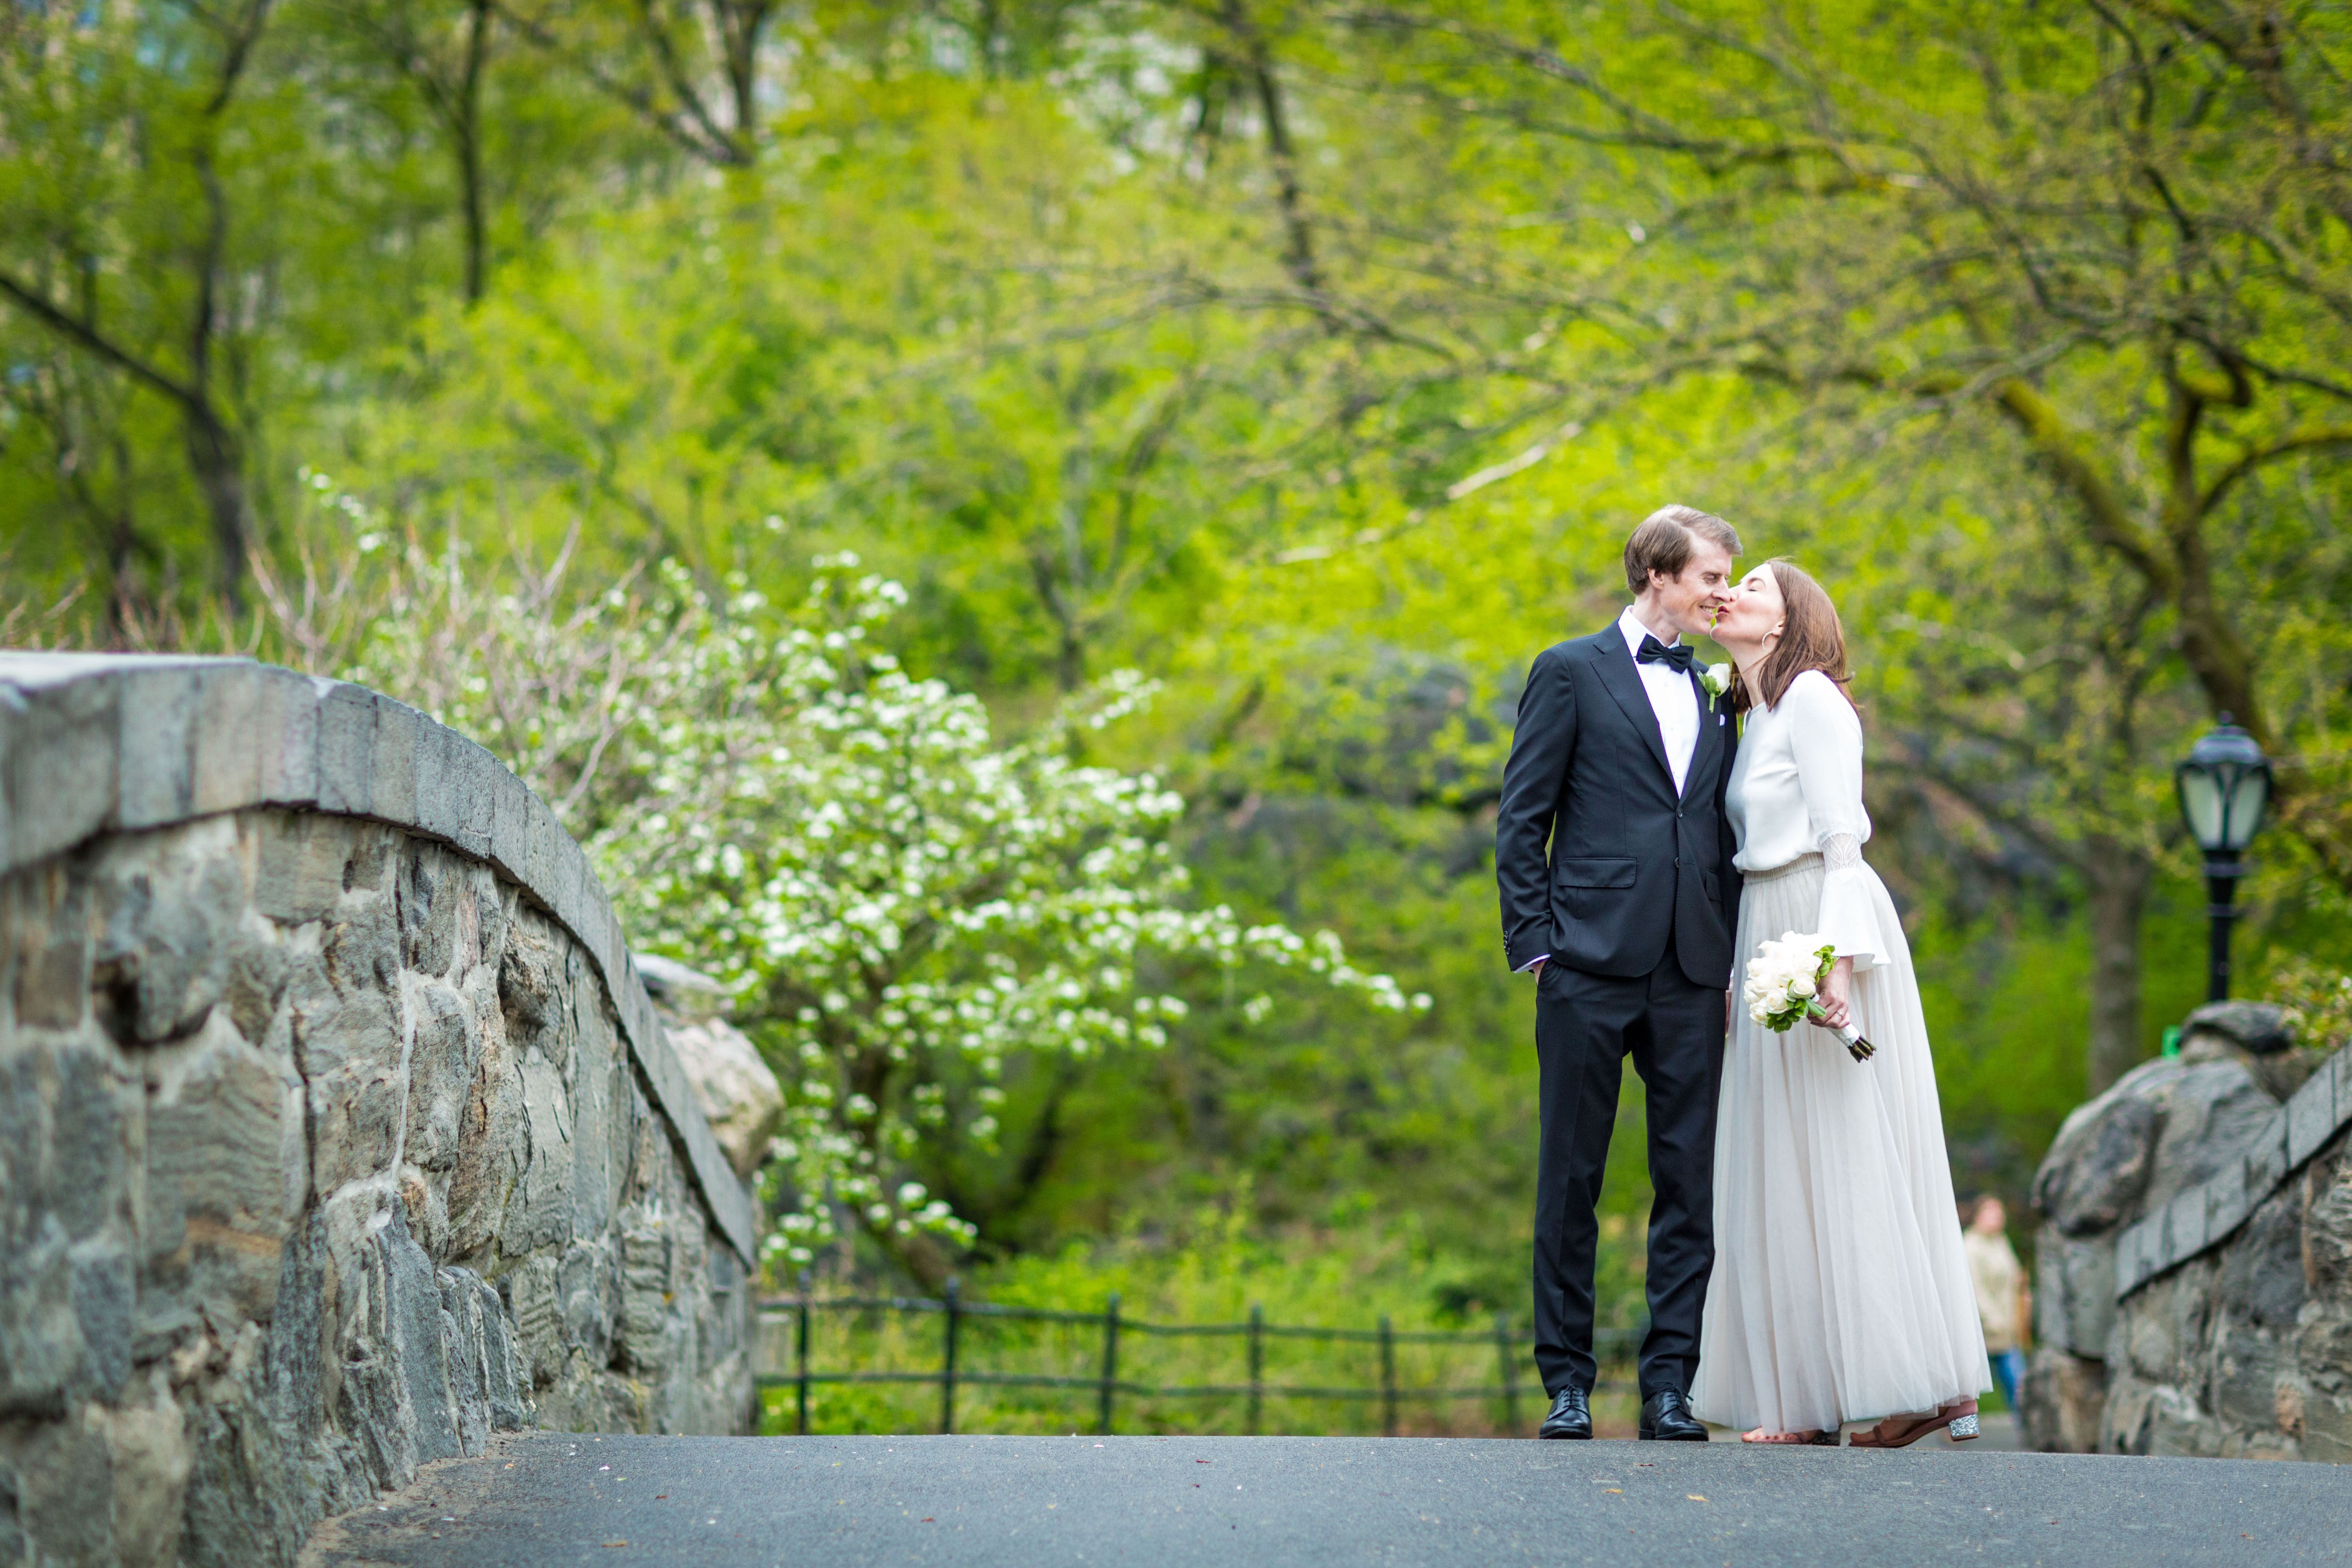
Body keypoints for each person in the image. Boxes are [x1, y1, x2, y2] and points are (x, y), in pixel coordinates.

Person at [1689, 560, 1991, 1448]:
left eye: (1751, 586)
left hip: (1816, 920)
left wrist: (1838, 970)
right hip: (1766, 919)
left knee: (1846, 1152)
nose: (1731, 594)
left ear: (1788, 622)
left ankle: (1915, 1377)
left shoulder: (1814, 698)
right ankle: (1819, 1396)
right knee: (1789, 1164)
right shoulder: (1756, 714)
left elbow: (1842, 839)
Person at [1495, 504, 1744, 1442]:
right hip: (1584, 964)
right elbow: (1521, 817)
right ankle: (1564, 1381)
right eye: (1710, 575)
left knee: (1687, 1181)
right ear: (1658, 574)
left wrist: (1723, 957)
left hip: (1690, 969)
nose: (1721, 591)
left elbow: (1718, 831)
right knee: (1570, 1176)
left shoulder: (1723, 689)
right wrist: (1536, 942)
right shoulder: (1568, 670)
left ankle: (1667, 1385)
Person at [1964, 1196, 2030, 1413]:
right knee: (1965, 1387)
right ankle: (1957, 1429)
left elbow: (2014, 1276)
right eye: (1992, 1212)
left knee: (2019, 1383)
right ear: (1978, 1216)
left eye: (2000, 1212)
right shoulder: (1970, 1246)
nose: (1998, 1217)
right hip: (1981, 1329)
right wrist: (1992, 1320)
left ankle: (2027, 1432)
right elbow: (1975, 1288)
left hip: (2006, 1331)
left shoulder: (2001, 1242)